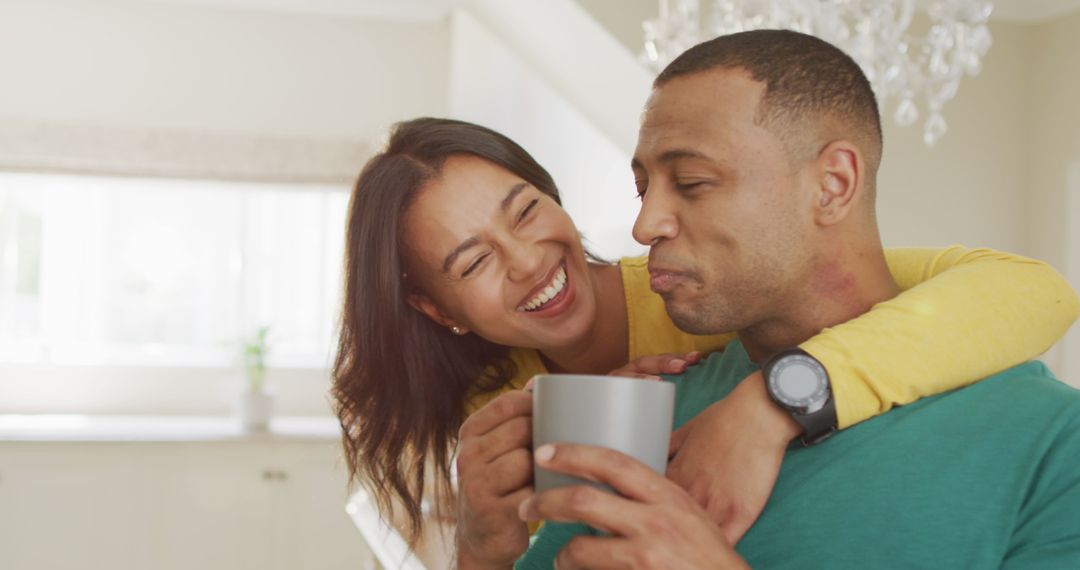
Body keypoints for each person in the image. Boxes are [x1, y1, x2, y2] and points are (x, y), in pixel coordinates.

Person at [514, 29, 1080, 569]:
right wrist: (482, 546)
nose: (645, 226)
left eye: (691, 182)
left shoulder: (1052, 442)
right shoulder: (641, 409)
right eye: (643, 189)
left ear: (833, 185)